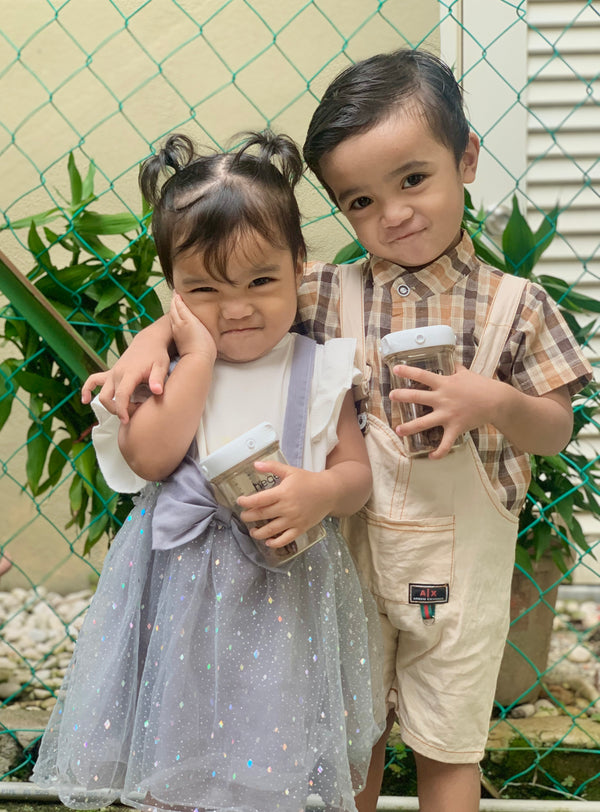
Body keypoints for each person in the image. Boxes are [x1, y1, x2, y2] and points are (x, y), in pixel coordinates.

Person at [79, 50, 593, 812]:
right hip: (349, 567)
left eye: (413, 179)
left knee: (449, 741)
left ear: (467, 158)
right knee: (353, 730)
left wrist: (491, 401)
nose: (394, 214)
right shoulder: (322, 289)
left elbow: (556, 427)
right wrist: (153, 342)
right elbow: (218, 294)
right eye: (360, 200)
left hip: (458, 574)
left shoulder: (517, 306)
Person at [33, 130, 385, 812]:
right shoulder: (159, 369)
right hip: (176, 593)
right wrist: (188, 355)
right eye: (205, 289)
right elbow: (151, 457)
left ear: (299, 266)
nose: (238, 308)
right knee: (172, 740)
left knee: (267, 742)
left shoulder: (319, 368)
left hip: (280, 593)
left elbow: (356, 471)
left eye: (261, 282)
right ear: (173, 290)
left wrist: (321, 491)